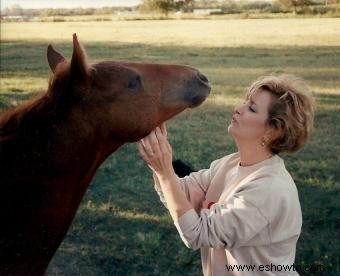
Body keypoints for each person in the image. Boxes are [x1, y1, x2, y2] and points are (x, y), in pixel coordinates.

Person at [138, 74, 314, 276]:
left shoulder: (268, 189)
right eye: (246, 103)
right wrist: (158, 159)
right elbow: (179, 194)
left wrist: (164, 170)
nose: (239, 108)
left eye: (252, 108)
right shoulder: (229, 163)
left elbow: (197, 234)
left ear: (274, 130)